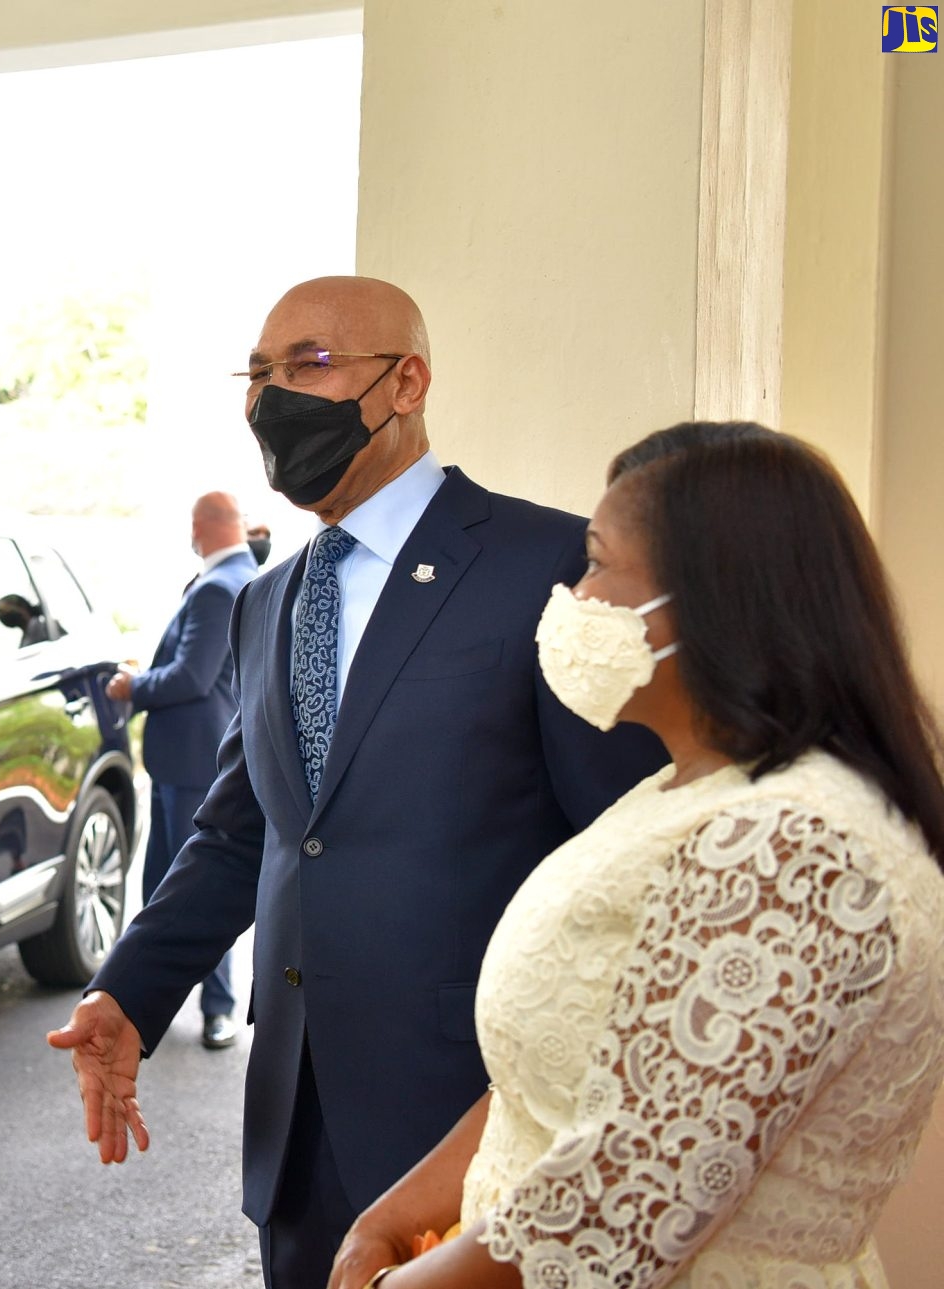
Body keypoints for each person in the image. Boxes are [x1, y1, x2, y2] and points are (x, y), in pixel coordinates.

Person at [48, 276, 666, 1289]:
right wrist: (130, 987)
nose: (271, 395)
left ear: (406, 381)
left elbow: (622, 853)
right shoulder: (264, 598)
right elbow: (244, 832)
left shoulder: (545, 562)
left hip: (476, 1124)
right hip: (294, 1131)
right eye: (256, 373)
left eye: (308, 365)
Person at [326, 422, 944, 1289]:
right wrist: (394, 1215)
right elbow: (563, 1076)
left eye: (597, 563)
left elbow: (623, 1201)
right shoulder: (684, 795)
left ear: (712, 601)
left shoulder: (793, 849)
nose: (574, 596)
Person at [105, 491, 258, 1049]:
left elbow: (193, 678)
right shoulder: (235, 574)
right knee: (162, 886)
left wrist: (132, 686)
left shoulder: (220, 585)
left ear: (200, 528)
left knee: (195, 886)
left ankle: (218, 1009)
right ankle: (142, 1001)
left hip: (195, 762)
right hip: (181, 760)